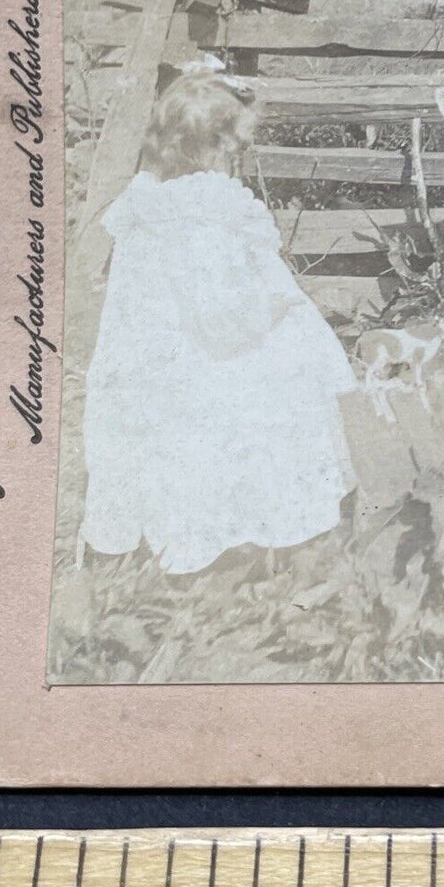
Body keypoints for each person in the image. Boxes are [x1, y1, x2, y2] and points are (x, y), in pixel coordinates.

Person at [79, 62, 358, 575]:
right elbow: (220, 313)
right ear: (205, 147)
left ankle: (215, 538)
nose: (238, 159)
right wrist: (275, 309)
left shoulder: (149, 199)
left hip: (154, 361)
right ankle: (265, 538)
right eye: (234, 149)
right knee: (283, 392)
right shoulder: (203, 213)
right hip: (201, 358)